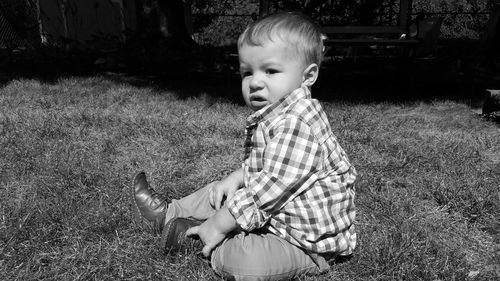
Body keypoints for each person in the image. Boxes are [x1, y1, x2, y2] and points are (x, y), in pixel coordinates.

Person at [131, 11, 357, 280]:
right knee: (220, 191)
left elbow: (269, 190)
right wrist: (237, 177)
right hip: (277, 216)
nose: (255, 82)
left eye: (270, 71)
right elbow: (268, 167)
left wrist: (221, 222)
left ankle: (204, 238)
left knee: (249, 263)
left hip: (303, 242)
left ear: (307, 76)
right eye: (247, 73)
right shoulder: (280, 113)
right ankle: (168, 215)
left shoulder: (298, 124)